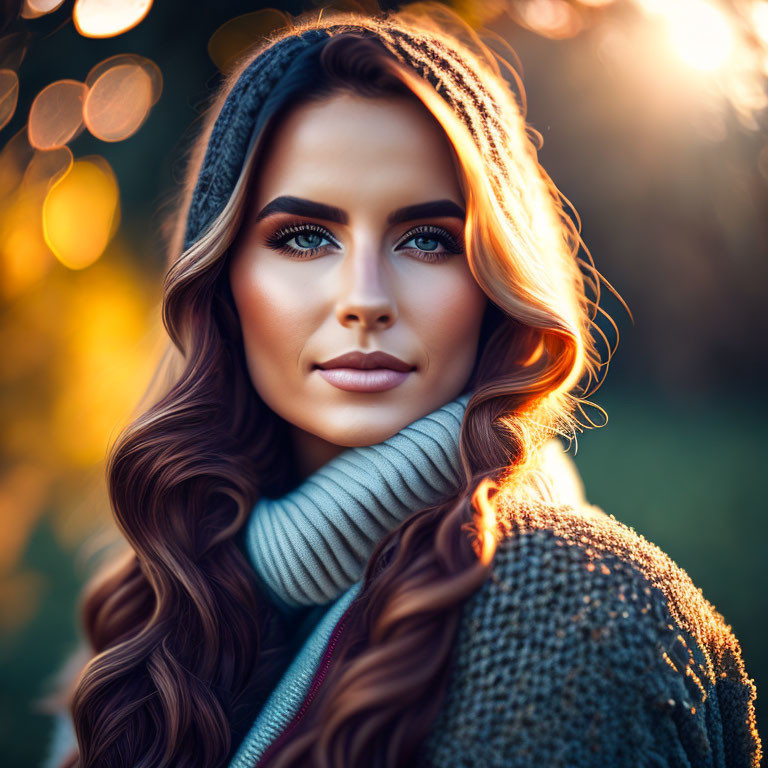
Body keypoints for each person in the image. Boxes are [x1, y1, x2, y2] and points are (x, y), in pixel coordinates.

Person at [40, 7, 761, 768]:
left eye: (428, 239)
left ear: (496, 283)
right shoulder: (156, 596)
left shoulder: (572, 609)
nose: (365, 297)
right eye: (304, 236)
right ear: (222, 283)